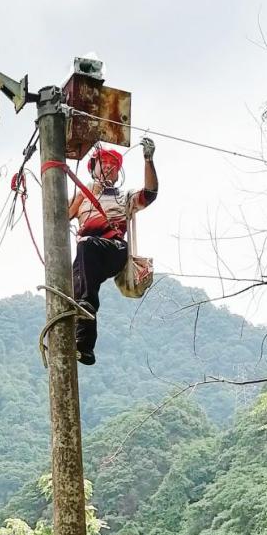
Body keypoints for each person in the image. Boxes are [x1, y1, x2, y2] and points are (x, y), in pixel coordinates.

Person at [67, 137, 157, 365]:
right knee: (76, 286)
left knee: (85, 247)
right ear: (93, 169)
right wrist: (80, 194)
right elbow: (61, 215)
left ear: (118, 174)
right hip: (88, 255)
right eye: (104, 163)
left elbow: (149, 193)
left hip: (113, 249)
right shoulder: (83, 196)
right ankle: (84, 346)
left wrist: (148, 160)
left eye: (113, 166)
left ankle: (85, 306)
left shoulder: (123, 196)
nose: (108, 168)